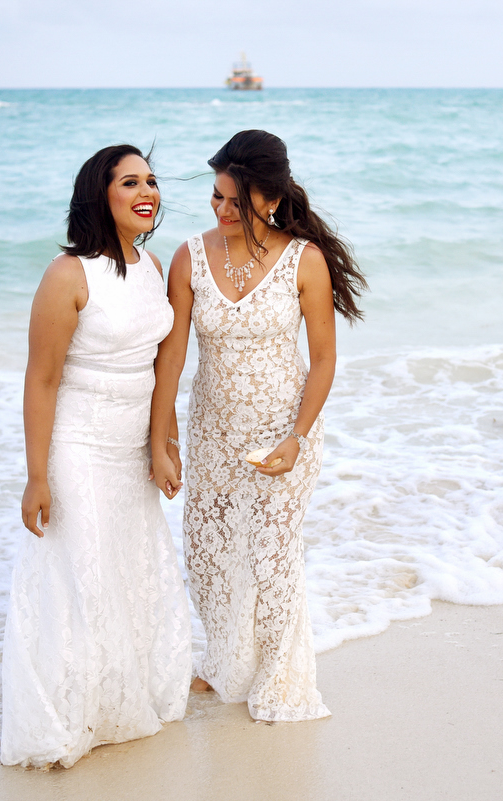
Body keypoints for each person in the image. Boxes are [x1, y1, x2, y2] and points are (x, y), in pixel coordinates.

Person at [150, 129, 366, 722]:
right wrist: (162, 439)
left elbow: (323, 359)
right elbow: (170, 356)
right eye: (215, 198)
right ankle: (230, 664)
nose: (221, 211)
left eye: (233, 202)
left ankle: (281, 680)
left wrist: (296, 438)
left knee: (272, 555)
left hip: (284, 430)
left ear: (268, 199)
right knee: (211, 554)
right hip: (213, 433)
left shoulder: (305, 261)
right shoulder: (189, 257)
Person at [1, 145, 191, 767]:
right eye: (130, 181)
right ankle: (72, 713)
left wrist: (162, 441)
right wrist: (36, 477)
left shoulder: (149, 263)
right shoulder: (67, 275)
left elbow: (163, 363)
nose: (148, 192)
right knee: (81, 577)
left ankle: (119, 698)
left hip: (130, 446)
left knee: (127, 569)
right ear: (99, 194)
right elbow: (42, 380)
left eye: (152, 181)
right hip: (77, 447)